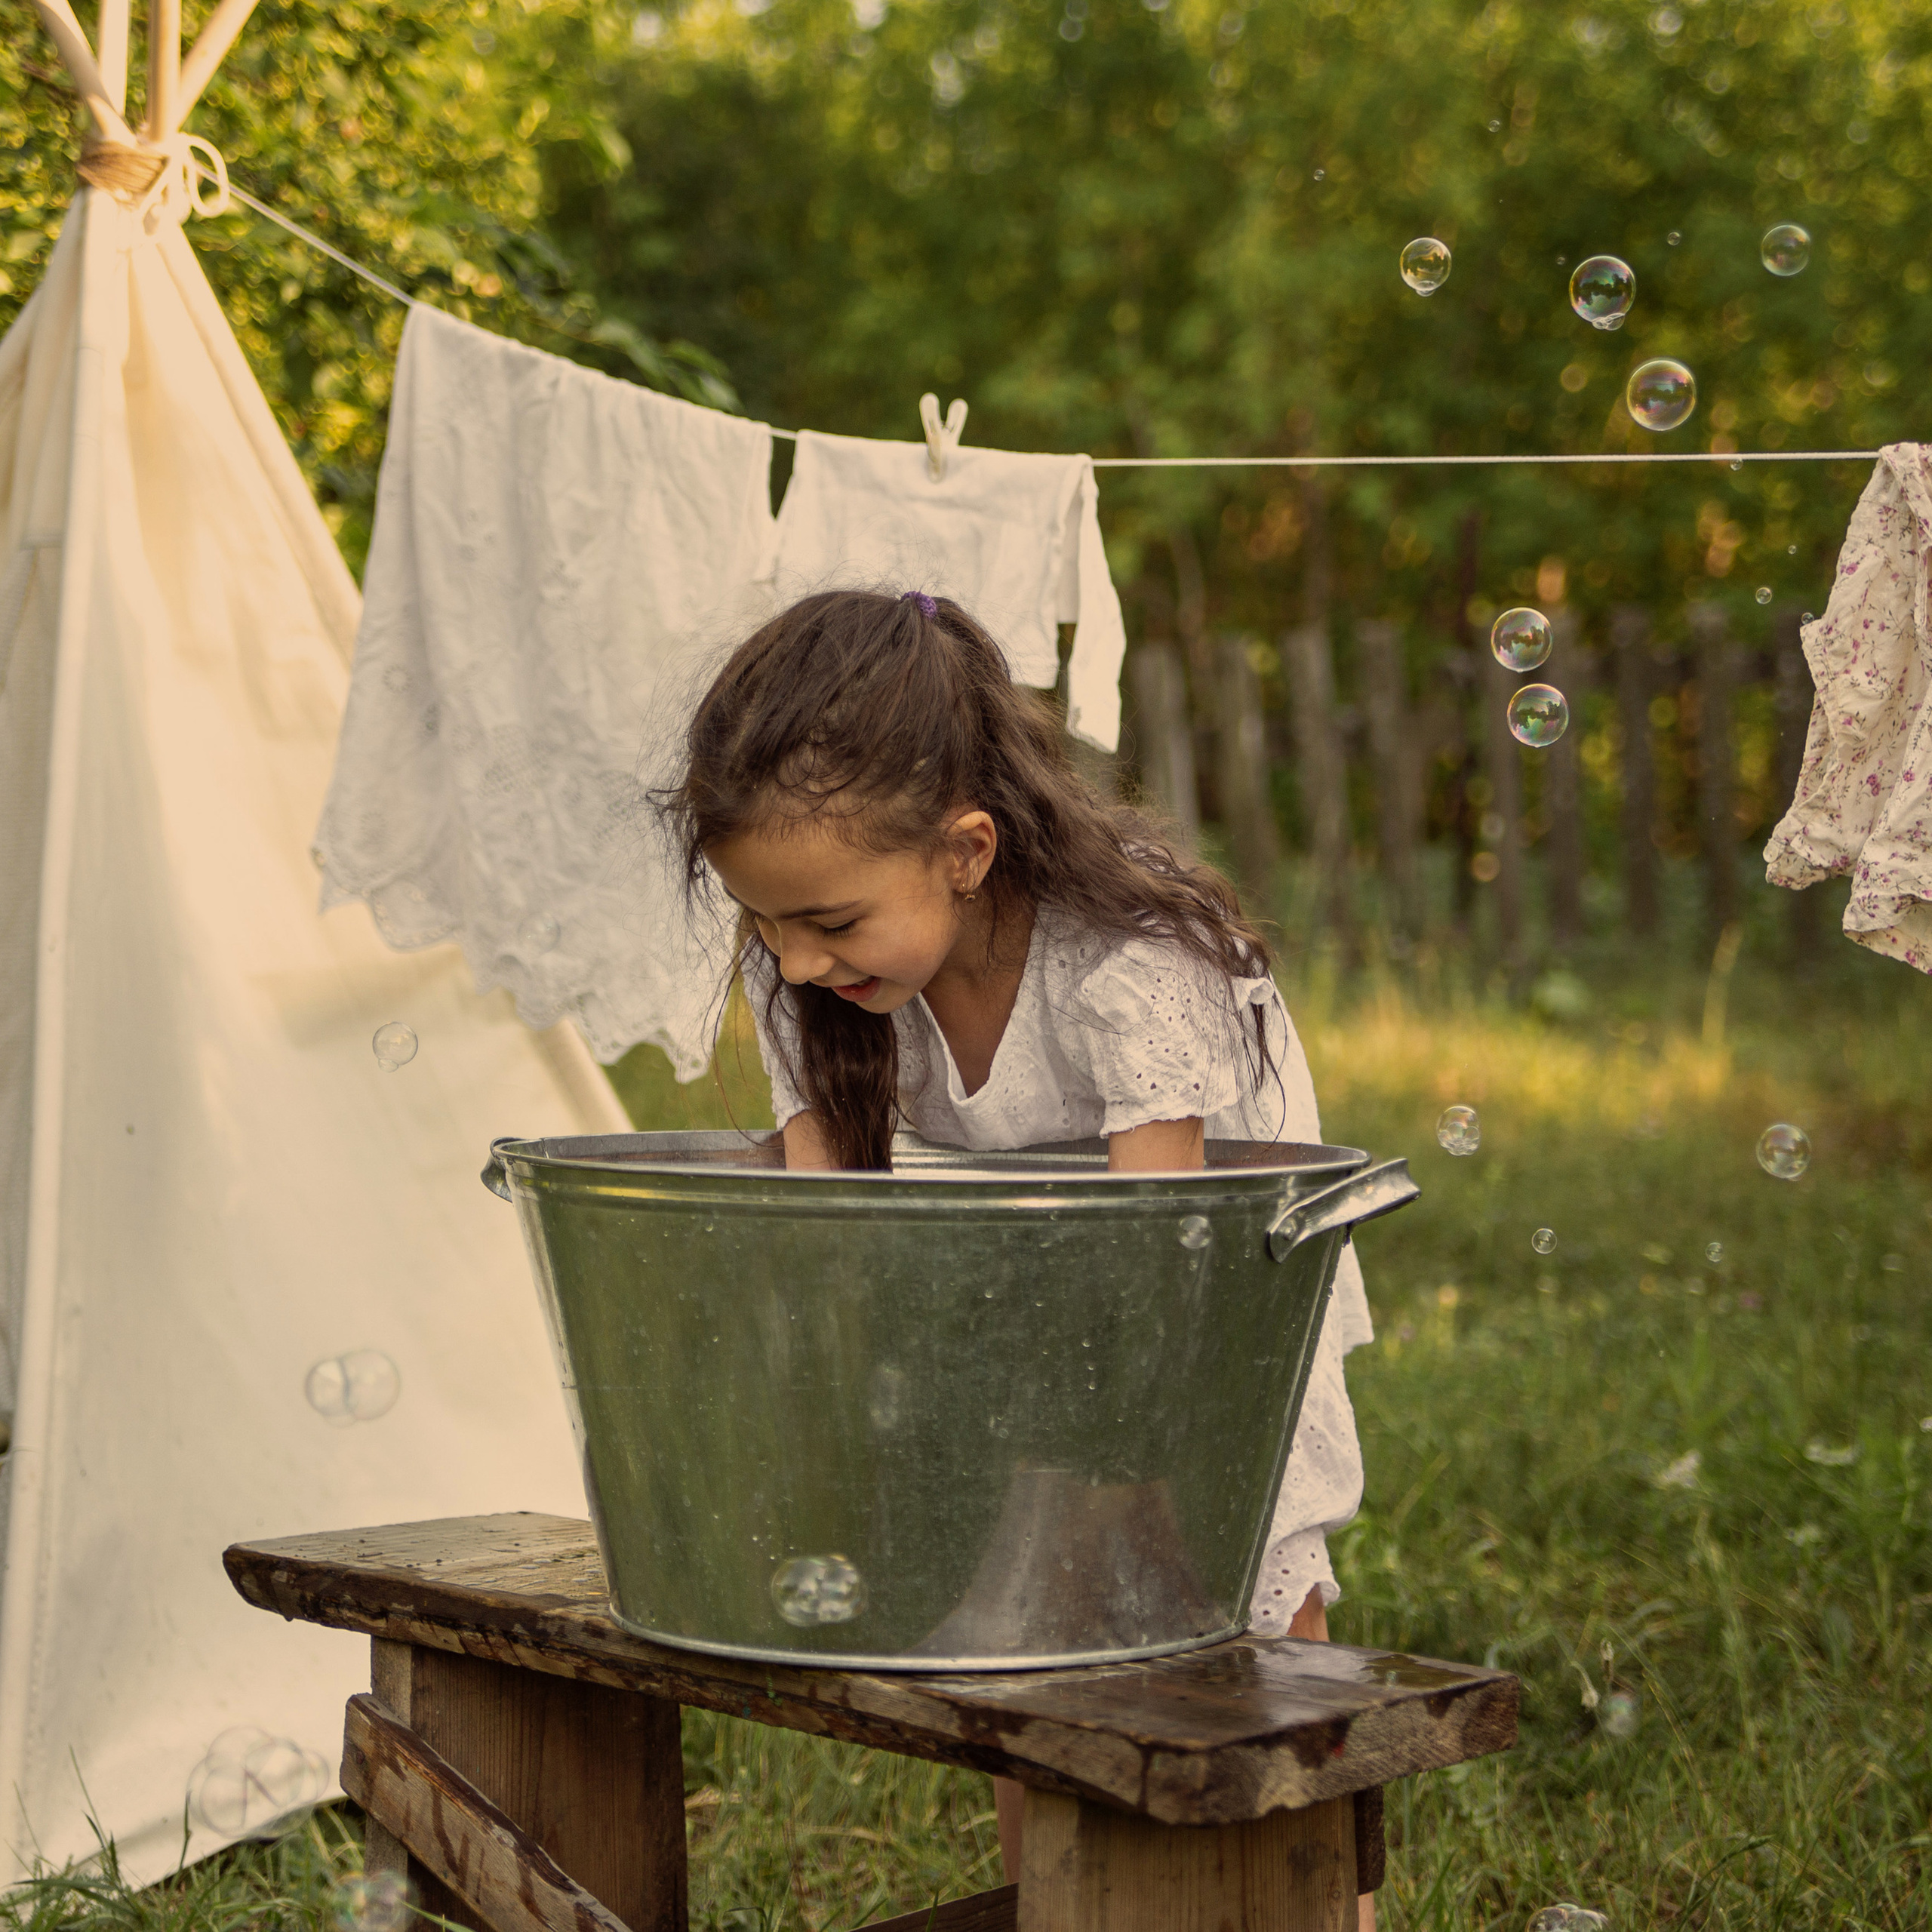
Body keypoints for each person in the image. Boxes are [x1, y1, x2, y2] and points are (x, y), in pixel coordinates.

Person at [665, 587, 1375, 1905]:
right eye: (765, 922)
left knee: (1242, 1617)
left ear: (966, 851)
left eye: (830, 923)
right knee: (1028, 1642)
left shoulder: (1134, 959)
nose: (794, 960)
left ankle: (1314, 1904)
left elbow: (1162, 1260)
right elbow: (822, 1244)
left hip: (1220, 1305)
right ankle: (1063, 1904)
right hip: (1024, 1294)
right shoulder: (816, 975)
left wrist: (1117, 1484)